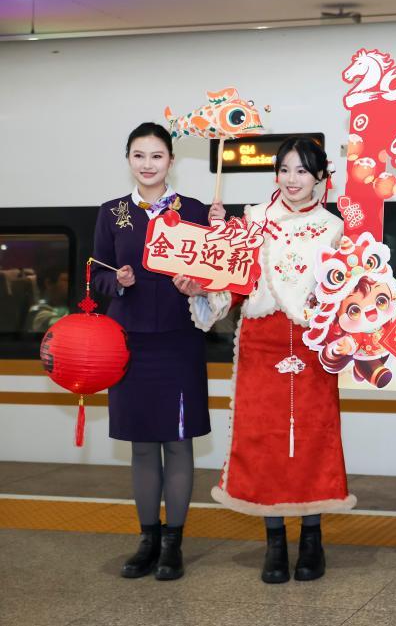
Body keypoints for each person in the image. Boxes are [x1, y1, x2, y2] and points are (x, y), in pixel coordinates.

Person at [180, 136, 355, 584]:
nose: (291, 179)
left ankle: (312, 539)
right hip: (261, 342)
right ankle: (274, 541)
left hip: (315, 346)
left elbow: (347, 291)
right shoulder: (253, 220)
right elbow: (235, 284)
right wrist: (204, 284)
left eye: (302, 170)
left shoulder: (335, 228)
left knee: (314, 438)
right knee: (262, 440)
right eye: (284, 169)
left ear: (320, 176)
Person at [92, 122, 210, 581]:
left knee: (178, 443)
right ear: (128, 159)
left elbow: (215, 277)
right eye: (139, 155)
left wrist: (197, 285)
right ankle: (148, 540)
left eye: (156, 156)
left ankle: (173, 543)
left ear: (171, 161)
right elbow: (96, 276)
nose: (147, 164)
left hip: (180, 339)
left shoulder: (196, 211)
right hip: (130, 343)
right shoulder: (112, 213)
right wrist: (116, 282)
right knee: (142, 446)